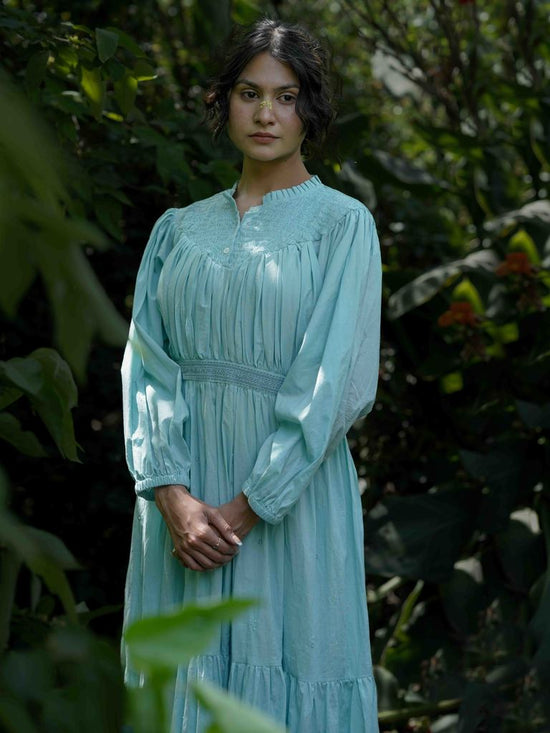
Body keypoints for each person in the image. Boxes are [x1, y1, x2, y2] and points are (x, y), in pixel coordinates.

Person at [121, 17, 381, 733]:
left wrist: (242, 510)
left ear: (310, 109)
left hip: (287, 505)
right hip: (178, 510)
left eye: (286, 96)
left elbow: (336, 381)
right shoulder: (176, 230)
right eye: (249, 93)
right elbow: (146, 366)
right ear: (223, 102)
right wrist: (172, 496)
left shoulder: (342, 225)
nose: (266, 113)